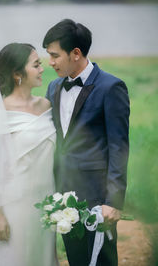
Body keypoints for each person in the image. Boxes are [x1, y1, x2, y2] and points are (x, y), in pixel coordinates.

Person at [43, 19, 130, 266]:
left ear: (76, 53)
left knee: (101, 259)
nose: (50, 62)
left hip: (96, 195)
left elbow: (119, 147)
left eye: (54, 55)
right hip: (64, 195)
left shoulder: (111, 87)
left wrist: (113, 201)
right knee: (76, 258)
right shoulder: (53, 87)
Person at [0, 43, 58, 266]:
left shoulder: (46, 105)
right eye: (36, 65)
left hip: (46, 204)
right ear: (17, 73)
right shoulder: (0, 112)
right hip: (14, 207)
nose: (42, 69)